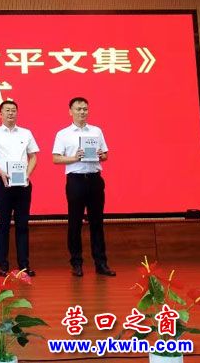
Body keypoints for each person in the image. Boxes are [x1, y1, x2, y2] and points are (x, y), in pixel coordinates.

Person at [52, 97, 115, 277]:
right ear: (70, 111)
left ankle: (101, 263)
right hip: (76, 180)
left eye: (85, 109)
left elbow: (105, 155)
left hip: (95, 179)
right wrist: (74, 157)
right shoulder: (63, 134)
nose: (82, 112)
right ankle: (76, 263)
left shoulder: (96, 131)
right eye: (78, 109)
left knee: (97, 222)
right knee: (75, 222)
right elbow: (56, 158)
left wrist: (101, 155)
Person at [0, 99, 38, 277]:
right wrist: (1, 172)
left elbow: (33, 156)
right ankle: (3, 266)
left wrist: (27, 174)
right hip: (3, 183)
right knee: (3, 225)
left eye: (13, 110)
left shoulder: (26, 133)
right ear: (0, 114)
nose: (11, 113)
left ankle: (24, 266)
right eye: (7, 110)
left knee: (22, 225)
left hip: (23, 183)